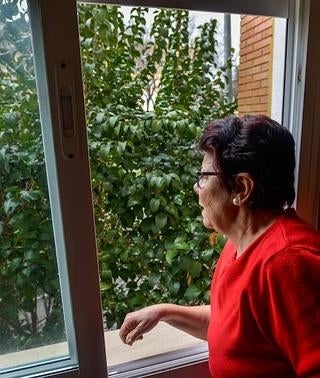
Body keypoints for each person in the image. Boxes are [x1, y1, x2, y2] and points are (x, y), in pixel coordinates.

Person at [119, 114, 320, 377]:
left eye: (203, 176)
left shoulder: (288, 262)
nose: (196, 187)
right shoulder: (240, 244)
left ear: (241, 188)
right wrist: (163, 312)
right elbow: (233, 327)